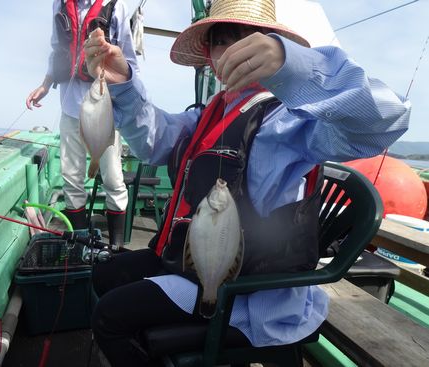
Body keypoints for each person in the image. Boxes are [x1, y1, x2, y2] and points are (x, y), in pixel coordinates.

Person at [83, 0, 411, 365]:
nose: (234, 48)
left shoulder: (289, 123)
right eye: (221, 39)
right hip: (199, 263)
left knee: (109, 317)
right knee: (103, 273)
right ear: (209, 54)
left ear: (271, 42)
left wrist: (296, 66)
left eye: (250, 37)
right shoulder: (210, 113)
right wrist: (123, 82)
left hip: (249, 295)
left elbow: (385, 119)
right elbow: (155, 139)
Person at [26, 0, 138, 247]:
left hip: (104, 108)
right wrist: (45, 84)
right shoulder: (60, 4)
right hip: (69, 108)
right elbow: (57, 49)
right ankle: (80, 245)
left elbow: (129, 61)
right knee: (71, 179)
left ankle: (116, 246)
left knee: (113, 180)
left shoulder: (115, 6)